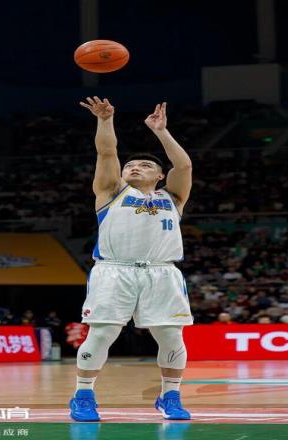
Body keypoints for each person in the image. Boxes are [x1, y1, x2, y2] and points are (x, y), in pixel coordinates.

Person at [69, 97, 193, 421]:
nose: (135, 167)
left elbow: (184, 167)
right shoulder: (112, 191)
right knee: (102, 334)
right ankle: (83, 396)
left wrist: (161, 132)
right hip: (114, 271)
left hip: (162, 273)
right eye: (130, 166)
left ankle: (170, 397)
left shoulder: (173, 197)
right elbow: (106, 152)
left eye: (145, 166)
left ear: (160, 176)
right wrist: (105, 120)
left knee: (171, 337)